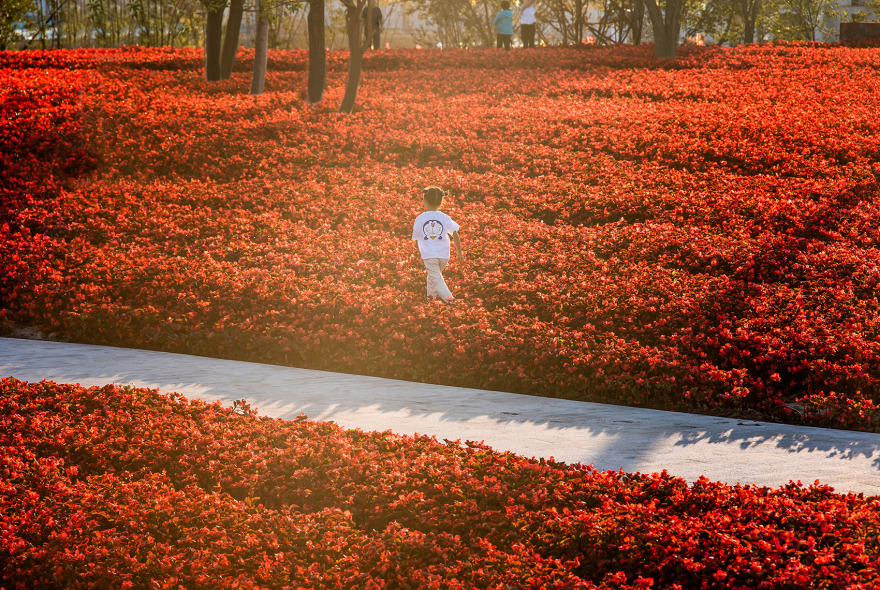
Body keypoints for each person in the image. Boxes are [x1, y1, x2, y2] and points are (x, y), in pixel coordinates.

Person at [412, 187, 464, 303]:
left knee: (437, 280)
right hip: (444, 256)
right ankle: (430, 300)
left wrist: (421, 255)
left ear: (424, 200)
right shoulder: (444, 217)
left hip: (429, 256)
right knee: (433, 278)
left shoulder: (420, 218)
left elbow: (417, 239)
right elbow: (455, 234)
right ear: (441, 202)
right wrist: (459, 253)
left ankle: (451, 302)